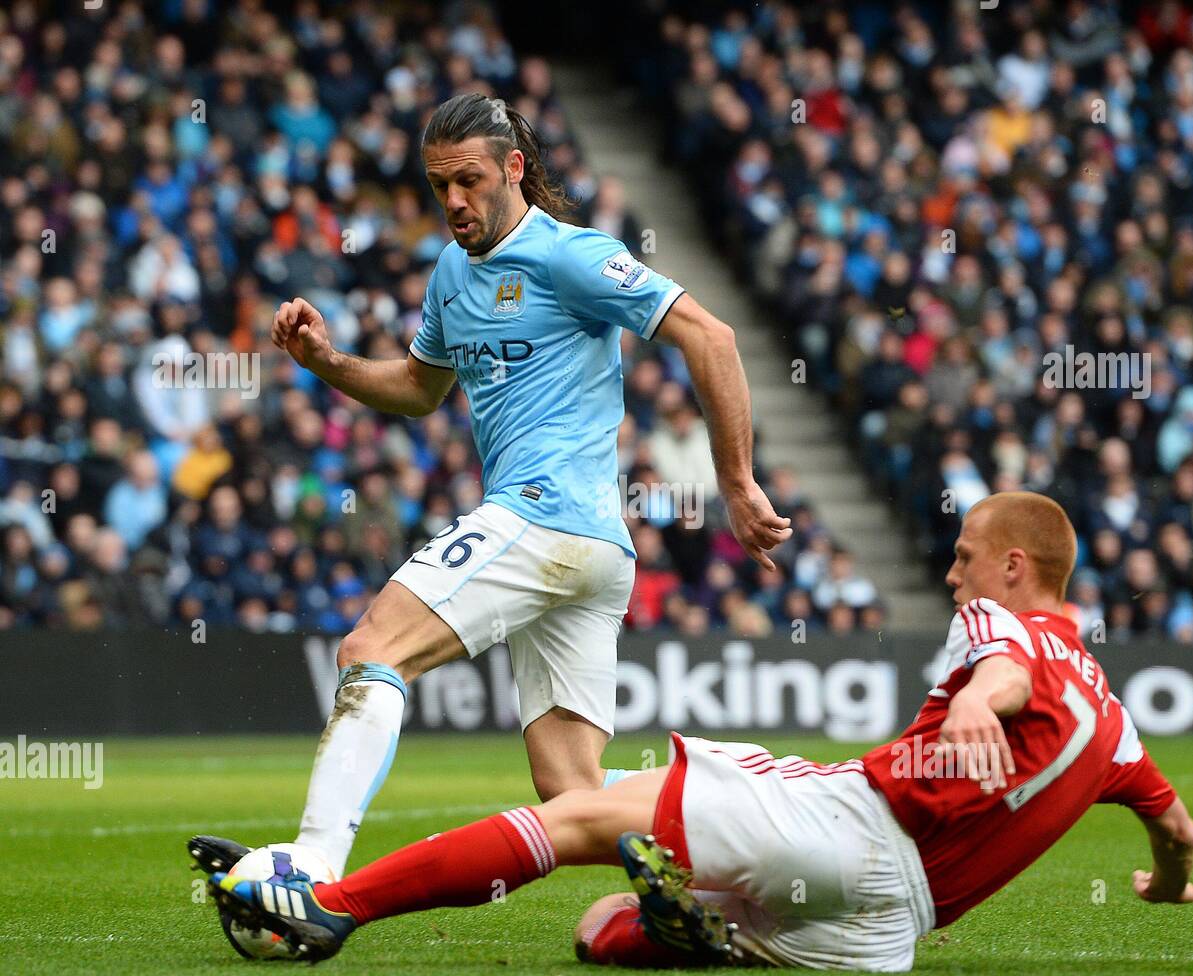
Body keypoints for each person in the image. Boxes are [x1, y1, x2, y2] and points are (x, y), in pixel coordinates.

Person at [188, 92, 790, 920]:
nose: (455, 202)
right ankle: (757, 803)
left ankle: (309, 867)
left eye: (469, 180)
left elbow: (710, 335)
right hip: (584, 551)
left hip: (549, 520)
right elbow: (417, 388)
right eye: (440, 187)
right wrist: (324, 360)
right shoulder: (450, 273)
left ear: (514, 169)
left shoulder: (570, 255)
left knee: (373, 646)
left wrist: (736, 482)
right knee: (573, 789)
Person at [208, 491, 1193, 970]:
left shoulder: (1001, 623)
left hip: (852, 830)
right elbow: (1179, 834)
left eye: (963, 556)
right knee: (599, 931)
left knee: (586, 816)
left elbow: (1004, 674)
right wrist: (1159, 884)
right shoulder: (1116, 726)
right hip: (887, 934)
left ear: (1016, 567)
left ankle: (332, 903)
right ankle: (699, 925)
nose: (952, 575)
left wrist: (984, 702)